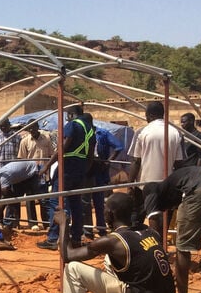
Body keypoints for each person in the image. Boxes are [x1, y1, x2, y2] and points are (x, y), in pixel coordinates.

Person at [55, 192, 175, 293]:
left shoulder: (112, 241)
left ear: (110, 214)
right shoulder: (148, 231)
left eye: (105, 209)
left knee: (73, 269)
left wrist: (64, 224)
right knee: (110, 259)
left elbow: (68, 255)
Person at [37, 107, 95, 250]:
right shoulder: (90, 129)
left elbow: (62, 147)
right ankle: (76, 238)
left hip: (67, 168)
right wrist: (84, 170)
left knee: (57, 202)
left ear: (71, 114)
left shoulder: (73, 125)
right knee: (76, 204)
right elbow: (91, 155)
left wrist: (47, 166)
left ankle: (53, 238)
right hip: (80, 169)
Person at [127, 101, 184, 233]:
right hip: (167, 183)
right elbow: (179, 163)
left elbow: (136, 161)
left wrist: (130, 184)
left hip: (144, 184)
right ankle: (160, 246)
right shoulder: (175, 133)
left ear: (150, 115)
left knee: (138, 217)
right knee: (164, 217)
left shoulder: (142, 131)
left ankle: (136, 243)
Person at [83, 126, 123, 238]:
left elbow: (119, 147)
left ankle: (101, 229)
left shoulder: (103, 133)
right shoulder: (83, 133)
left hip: (100, 169)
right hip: (87, 171)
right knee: (86, 202)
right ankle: (88, 231)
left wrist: (108, 161)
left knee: (99, 202)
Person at [18, 121, 54, 230]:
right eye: (30, 129)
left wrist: (47, 169)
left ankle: (46, 222)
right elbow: (22, 159)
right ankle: (33, 223)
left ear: (38, 127)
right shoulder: (25, 141)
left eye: (33, 128)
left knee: (44, 199)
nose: (32, 131)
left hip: (43, 173)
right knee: (30, 198)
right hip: (30, 174)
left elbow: (51, 155)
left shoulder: (47, 139)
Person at [0, 118, 23, 228]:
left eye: (4, 126)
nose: (2, 128)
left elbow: (20, 154)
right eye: (1, 126)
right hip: (1, 171)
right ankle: (1, 220)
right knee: (2, 195)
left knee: (14, 196)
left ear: (9, 125)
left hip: (14, 171)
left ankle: (13, 221)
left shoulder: (17, 137)